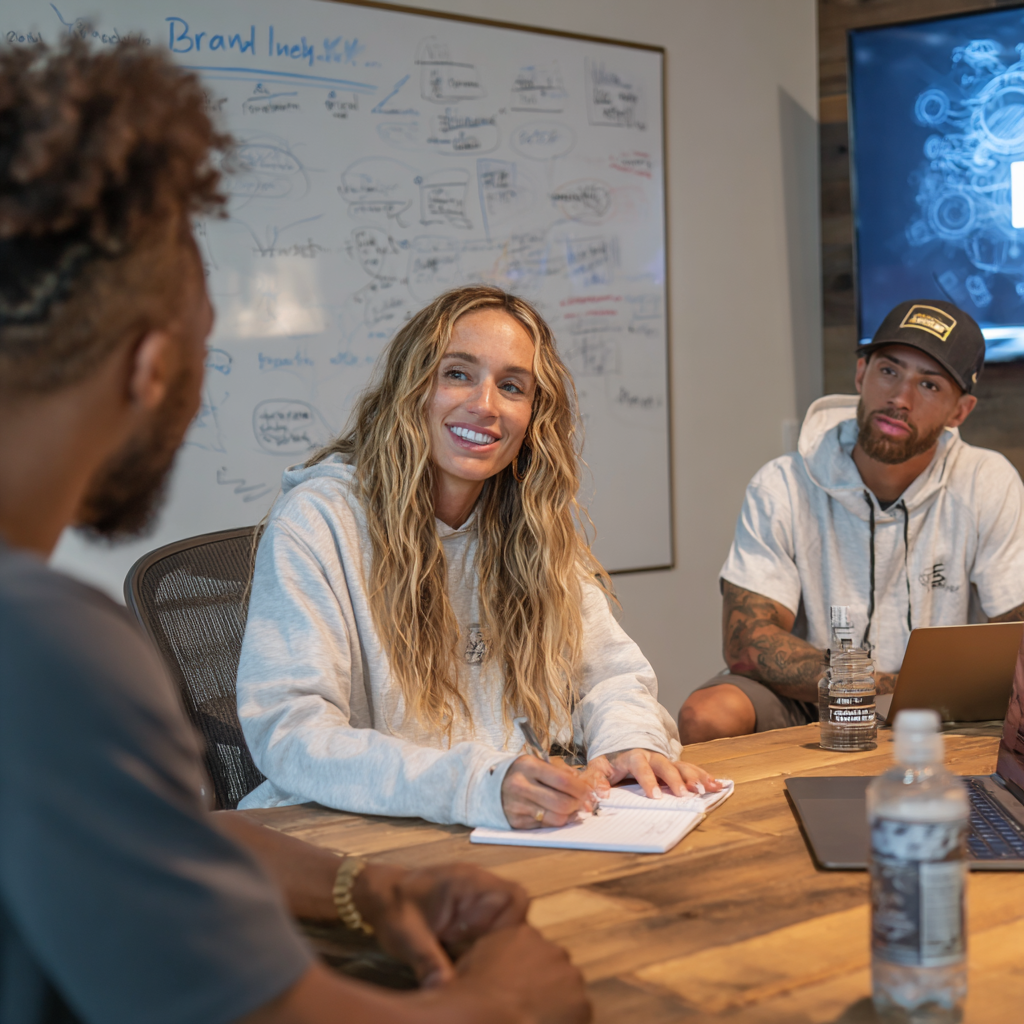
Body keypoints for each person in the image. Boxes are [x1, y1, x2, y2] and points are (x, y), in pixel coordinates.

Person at [0, 37, 590, 1024]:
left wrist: (365, 887)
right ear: (153, 366)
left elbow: (176, 833)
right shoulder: (49, 653)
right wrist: (505, 1005)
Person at [236, 284, 720, 830]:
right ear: (411, 387)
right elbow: (291, 730)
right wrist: (475, 784)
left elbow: (609, 675)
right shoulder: (319, 520)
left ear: (533, 415)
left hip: (503, 829)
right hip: (348, 833)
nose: (485, 405)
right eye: (457, 374)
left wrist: (629, 741)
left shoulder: (532, 526)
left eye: (511, 386)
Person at [679, 299, 1024, 742]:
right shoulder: (782, 483)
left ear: (961, 411)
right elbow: (747, 641)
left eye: (929, 385)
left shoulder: (986, 480)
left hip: (944, 701)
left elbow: (1016, 629)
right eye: (889, 371)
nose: (899, 398)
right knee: (707, 715)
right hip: (813, 696)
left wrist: (936, 692)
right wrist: (887, 688)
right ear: (861, 374)